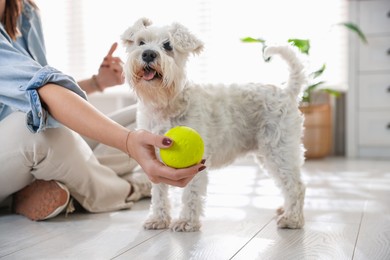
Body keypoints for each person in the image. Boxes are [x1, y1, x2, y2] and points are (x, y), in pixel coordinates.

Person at [0, 0, 206, 221]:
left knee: (142, 117)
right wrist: (128, 142)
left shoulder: (25, 12)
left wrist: (97, 82)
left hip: (26, 146)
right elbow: (42, 92)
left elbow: (26, 89)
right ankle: (129, 187)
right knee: (37, 132)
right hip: (16, 142)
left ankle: (57, 181)